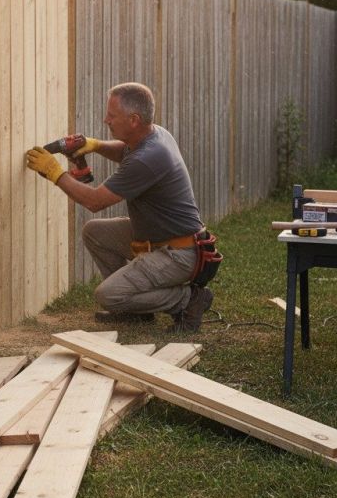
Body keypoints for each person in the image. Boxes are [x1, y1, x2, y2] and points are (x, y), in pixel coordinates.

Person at [26, 82, 214, 332]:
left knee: (107, 295)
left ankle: (188, 300)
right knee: (95, 232)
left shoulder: (148, 158)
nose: (106, 120)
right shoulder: (156, 135)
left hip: (178, 254)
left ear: (134, 119)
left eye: (112, 116)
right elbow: (125, 151)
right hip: (162, 238)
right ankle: (135, 309)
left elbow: (95, 201)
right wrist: (96, 145)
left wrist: (55, 172)